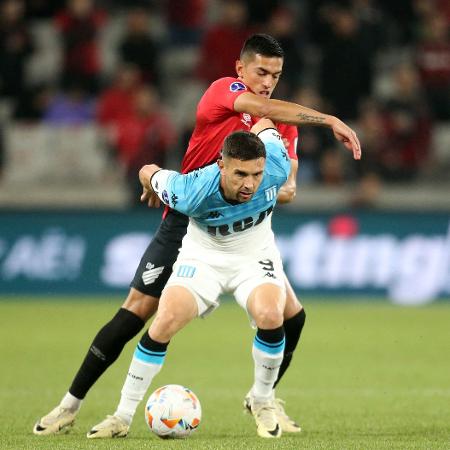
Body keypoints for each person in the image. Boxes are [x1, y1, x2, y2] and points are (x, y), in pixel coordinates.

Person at [33, 34, 361, 437]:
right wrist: (329, 119)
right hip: (187, 219)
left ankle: (264, 397)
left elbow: (288, 185)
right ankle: (69, 405)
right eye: (261, 71)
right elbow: (261, 109)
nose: (268, 81)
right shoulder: (225, 92)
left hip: (245, 229)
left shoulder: (282, 123)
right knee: (135, 314)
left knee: (291, 317)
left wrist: (277, 186)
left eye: (276, 74)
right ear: (241, 69)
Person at [90, 118, 294, 439]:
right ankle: (122, 416)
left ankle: (262, 399)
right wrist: (147, 184)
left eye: (256, 174)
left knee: (271, 314)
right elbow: (148, 170)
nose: (250, 184)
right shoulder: (191, 189)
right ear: (221, 165)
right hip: (203, 259)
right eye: (240, 174)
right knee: (164, 320)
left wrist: (291, 175)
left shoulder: (275, 165)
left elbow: (266, 121)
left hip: (254, 255)